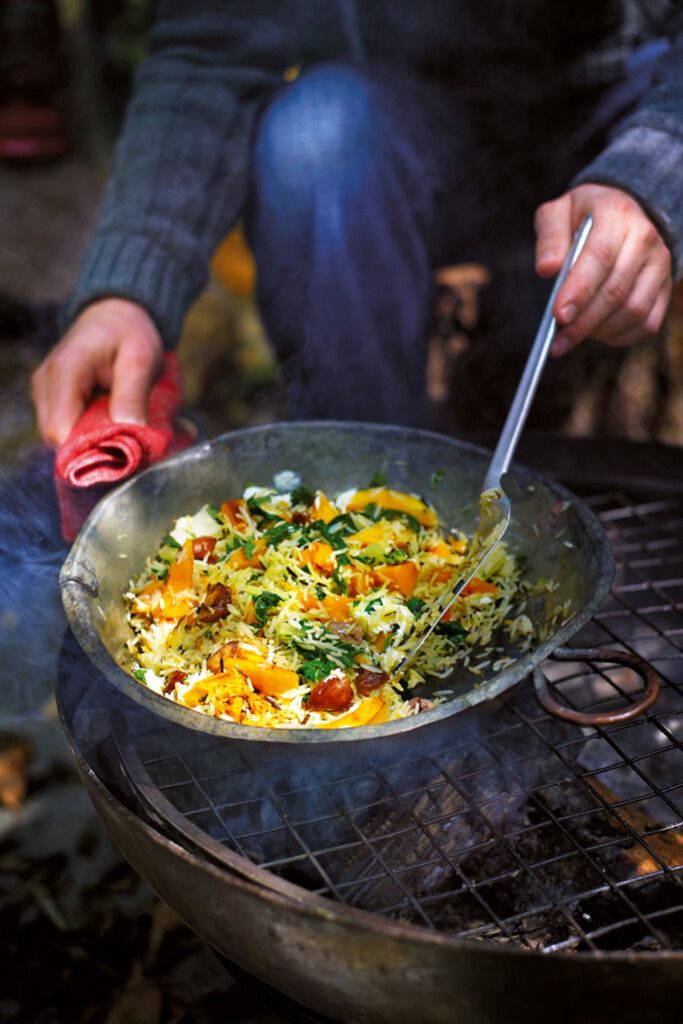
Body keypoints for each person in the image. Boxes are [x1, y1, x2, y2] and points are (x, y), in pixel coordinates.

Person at [31, 1, 682, 443]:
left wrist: (653, 172)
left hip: (620, 104)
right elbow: (213, 44)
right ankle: (369, 516)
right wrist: (127, 292)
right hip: (400, 128)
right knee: (314, 133)